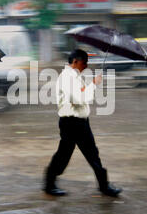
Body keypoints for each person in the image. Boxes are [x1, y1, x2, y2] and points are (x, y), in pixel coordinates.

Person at [43, 49, 122, 197]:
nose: (86, 66)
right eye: (84, 63)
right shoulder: (67, 77)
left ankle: (103, 186)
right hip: (72, 123)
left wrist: (92, 85)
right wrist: (93, 84)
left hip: (80, 122)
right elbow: (78, 99)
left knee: (90, 154)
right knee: (66, 155)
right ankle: (49, 184)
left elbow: (81, 92)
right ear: (75, 62)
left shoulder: (74, 76)